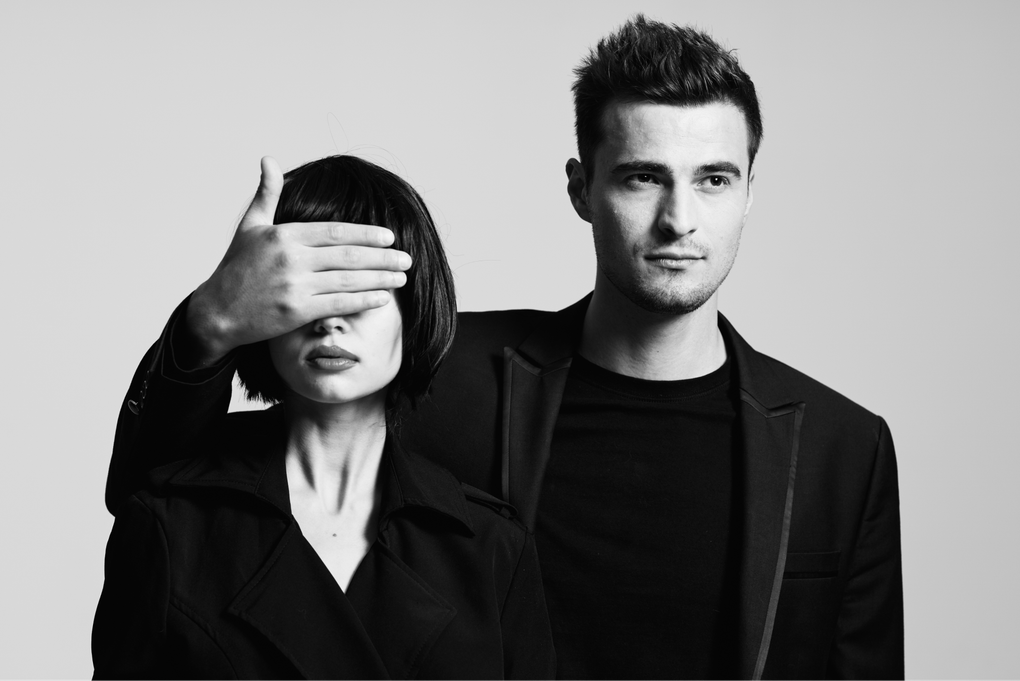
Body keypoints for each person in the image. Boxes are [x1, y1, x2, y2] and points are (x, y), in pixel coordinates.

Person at [106, 16, 903, 681]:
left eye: (715, 179)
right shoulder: (438, 368)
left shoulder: (842, 452)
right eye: (642, 177)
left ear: (750, 190)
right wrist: (212, 321)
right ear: (580, 187)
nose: (680, 219)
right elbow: (165, 499)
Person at [93, 155, 555, 679]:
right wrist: (210, 315)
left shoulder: (493, 546)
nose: (331, 320)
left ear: (414, 311)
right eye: (309, 289)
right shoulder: (169, 524)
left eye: (361, 291)